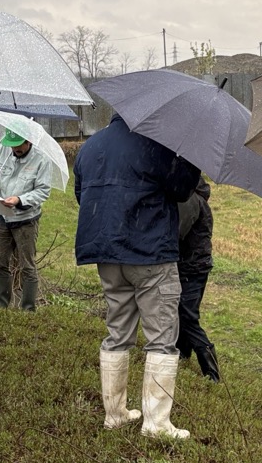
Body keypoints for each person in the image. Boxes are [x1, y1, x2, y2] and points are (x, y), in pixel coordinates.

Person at [74, 114, 200, 439]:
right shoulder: (156, 144)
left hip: (106, 252)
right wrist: (188, 153)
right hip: (149, 251)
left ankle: (115, 415)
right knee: (161, 335)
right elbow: (184, 188)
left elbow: (82, 195)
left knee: (117, 332)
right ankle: (156, 424)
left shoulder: (90, 146)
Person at [0, 129, 52, 311]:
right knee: (0, 262)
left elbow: (43, 191)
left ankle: (28, 308)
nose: (15, 149)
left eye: (19, 145)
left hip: (26, 220)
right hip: (3, 218)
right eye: (12, 145)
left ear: (28, 141)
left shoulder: (41, 160)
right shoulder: (1, 151)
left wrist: (19, 200)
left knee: (27, 266)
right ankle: (0, 304)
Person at [176, 177, 219, 382]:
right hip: (197, 265)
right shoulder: (198, 198)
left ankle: (211, 371)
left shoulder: (190, 200)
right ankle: (182, 353)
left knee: (186, 315)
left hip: (190, 266)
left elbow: (178, 233)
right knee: (185, 312)